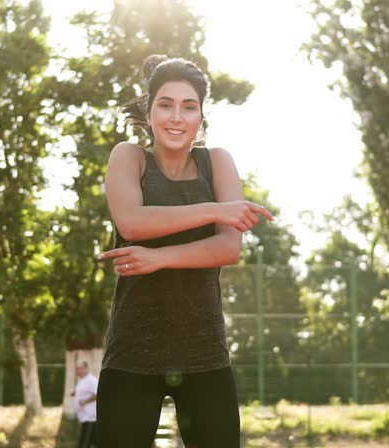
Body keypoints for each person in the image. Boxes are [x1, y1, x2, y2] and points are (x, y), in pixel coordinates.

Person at [96, 54, 274, 448]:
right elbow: (132, 222)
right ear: (148, 111)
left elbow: (228, 247)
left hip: (206, 356)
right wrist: (218, 209)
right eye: (166, 104)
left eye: (188, 107)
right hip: (131, 356)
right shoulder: (130, 158)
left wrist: (157, 258)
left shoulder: (218, 162)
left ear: (201, 117)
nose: (177, 117)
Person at [73, 361, 98, 448]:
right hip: (84, 416)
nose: (78, 371)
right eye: (77, 369)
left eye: (80, 368)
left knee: (85, 442)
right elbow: (85, 392)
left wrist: (85, 401)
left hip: (90, 416)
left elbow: (97, 394)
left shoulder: (91, 380)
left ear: (86, 369)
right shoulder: (83, 380)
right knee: (91, 440)